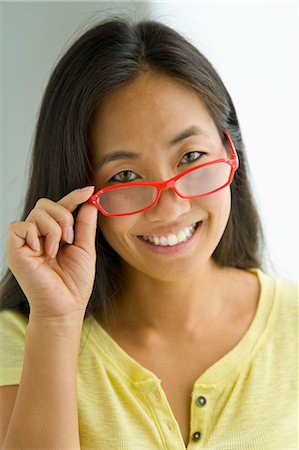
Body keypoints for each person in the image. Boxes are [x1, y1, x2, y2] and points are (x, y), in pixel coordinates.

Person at [0, 17, 297, 450]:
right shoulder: (23, 341)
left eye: (191, 155)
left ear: (231, 151)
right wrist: (57, 323)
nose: (170, 206)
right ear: (82, 194)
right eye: (124, 176)